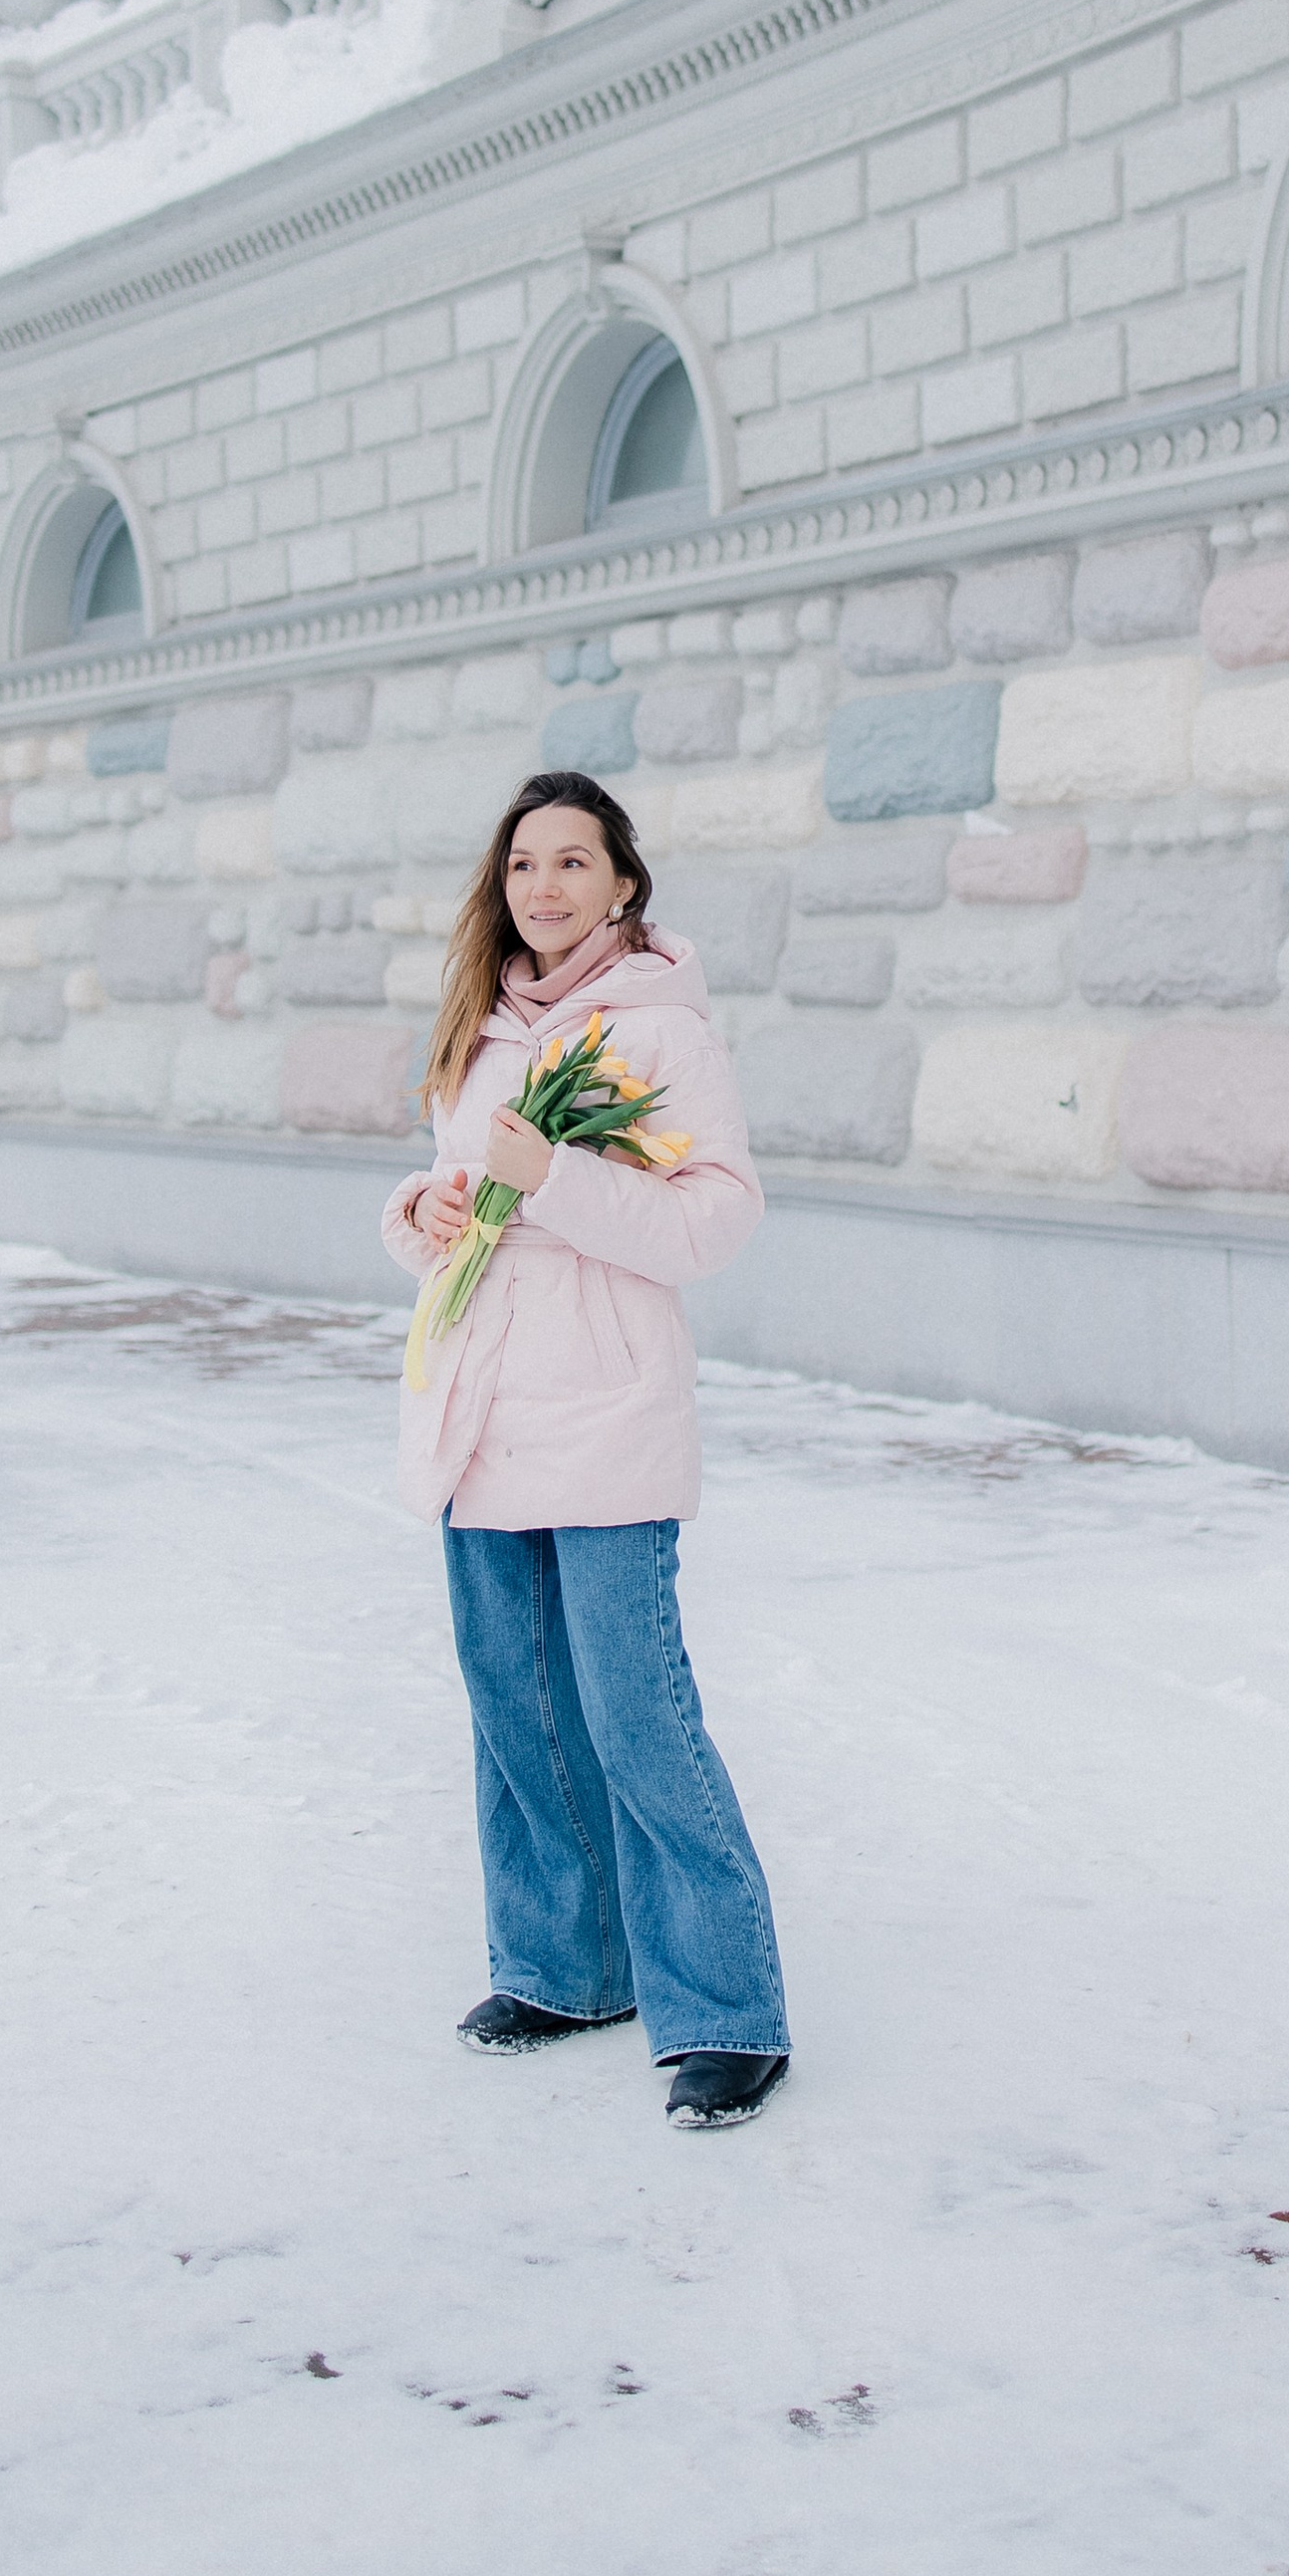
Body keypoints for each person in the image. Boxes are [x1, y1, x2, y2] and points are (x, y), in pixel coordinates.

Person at [381, 767, 790, 2132]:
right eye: (521, 867)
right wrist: (424, 1212)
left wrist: (557, 1179)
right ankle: (564, 1970)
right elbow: (448, 1199)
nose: (543, 887)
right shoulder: (483, 1029)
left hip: (602, 1407)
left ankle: (725, 2009)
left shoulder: (664, 1032)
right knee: (517, 1709)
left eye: (572, 863)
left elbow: (714, 1221)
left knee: (635, 1716)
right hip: (478, 1407)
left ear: (623, 884)